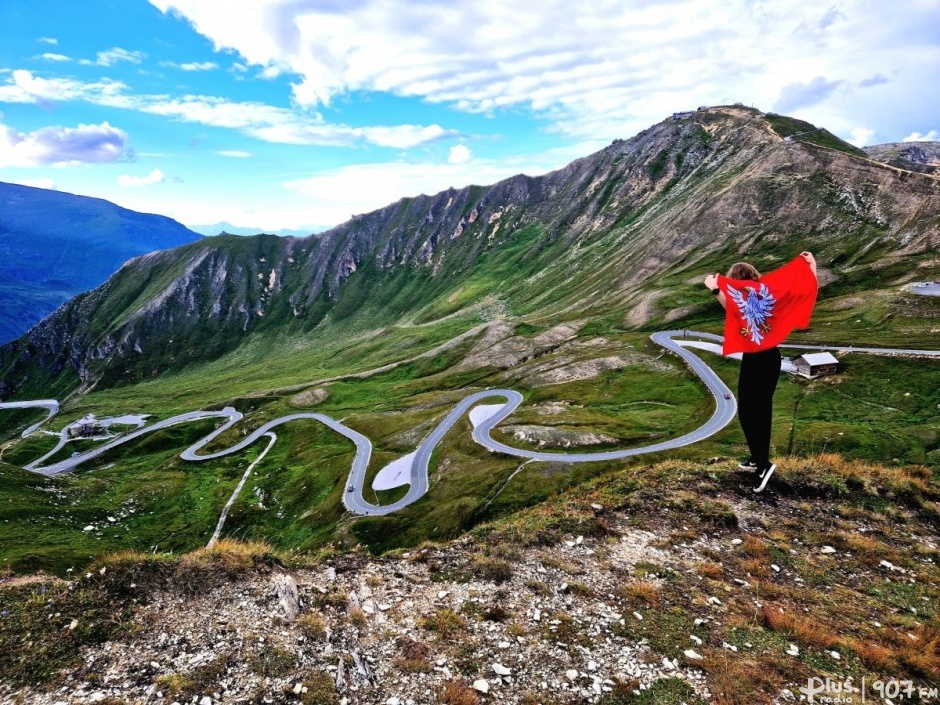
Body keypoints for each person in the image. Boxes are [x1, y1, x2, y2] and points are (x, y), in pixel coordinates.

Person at [703, 251, 818, 492]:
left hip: (758, 360)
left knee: (751, 411)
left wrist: (716, 290)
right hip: (768, 358)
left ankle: (763, 465)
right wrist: (811, 268)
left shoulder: (741, 299)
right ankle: (757, 458)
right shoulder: (771, 296)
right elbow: (802, 291)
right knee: (757, 409)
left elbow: (734, 309)